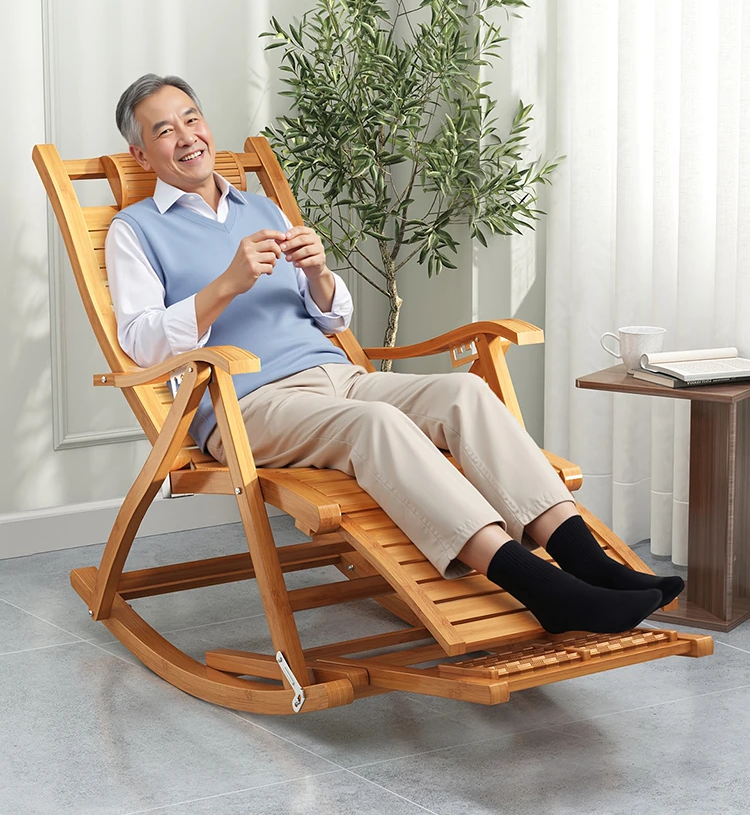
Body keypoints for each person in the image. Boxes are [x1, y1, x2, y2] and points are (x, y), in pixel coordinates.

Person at [107, 73, 683, 635]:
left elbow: (332, 318)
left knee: (464, 392)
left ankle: (590, 564)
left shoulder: (261, 209)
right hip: (247, 405)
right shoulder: (134, 230)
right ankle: (544, 590)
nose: (186, 136)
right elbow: (141, 343)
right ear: (140, 154)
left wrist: (319, 272)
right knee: (376, 424)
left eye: (191, 118)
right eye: (164, 130)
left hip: (337, 374)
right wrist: (226, 284)